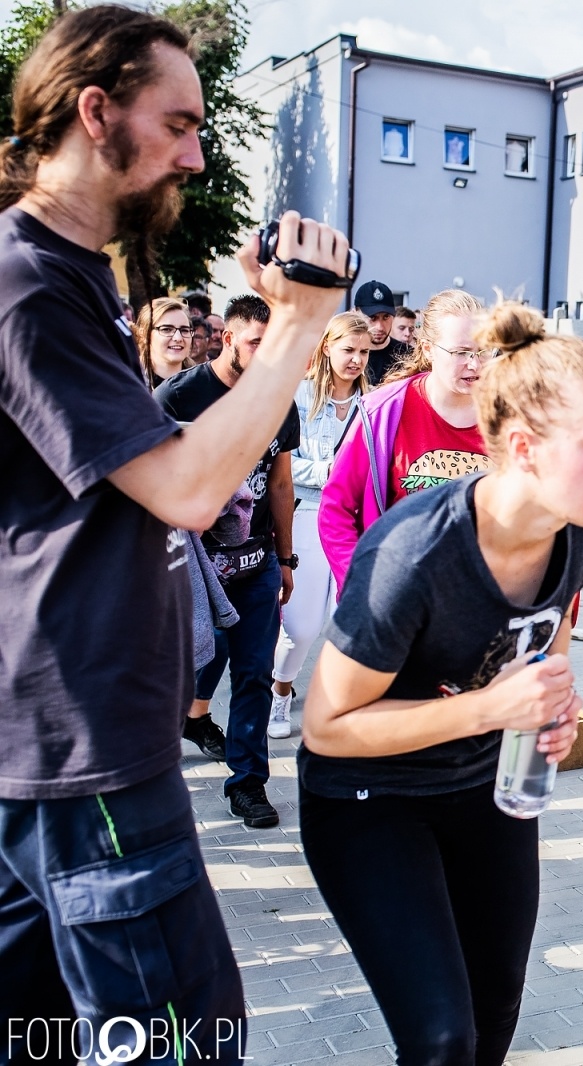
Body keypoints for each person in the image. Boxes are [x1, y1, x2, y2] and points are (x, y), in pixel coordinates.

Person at [0, 5, 349, 1060]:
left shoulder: (72, 278)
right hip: (86, 737)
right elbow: (191, 488)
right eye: (180, 124)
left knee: (41, 1036)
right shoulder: (27, 287)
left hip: (67, 731)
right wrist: (297, 324)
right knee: (179, 1042)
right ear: (95, 112)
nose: (197, 155)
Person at [299, 300, 583, 1066]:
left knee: (494, 1018)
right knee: (442, 1039)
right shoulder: (411, 558)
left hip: (485, 787)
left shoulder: (578, 520)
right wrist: (488, 706)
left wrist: (551, 699)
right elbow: (326, 727)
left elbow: (551, 635)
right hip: (368, 803)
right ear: (523, 448)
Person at [158, 294, 300, 830]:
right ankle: (159, 772)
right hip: (195, 566)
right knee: (190, 667)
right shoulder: (179, 396)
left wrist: (285, 558)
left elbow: (281, 483)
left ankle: (248, 784)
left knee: (255, 675)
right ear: (228, 337)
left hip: (257, 561)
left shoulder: (278, 400)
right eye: (256, 343)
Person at [320, 288, 490, 593]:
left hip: (484, 606)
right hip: (402, 604)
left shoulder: (513, 417)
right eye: (461, 352)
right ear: (427, 349)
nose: (475, 364)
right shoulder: (382, 413)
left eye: (484, 351)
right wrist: (362, 586)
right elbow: (336, 508)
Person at [268, 311, 372, 740]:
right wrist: (333, 470)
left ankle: (339, 703)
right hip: (307, 513)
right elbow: (284, 467)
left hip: (356, 520)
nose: (357, 359)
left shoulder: (374, 403)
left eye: (365, 352)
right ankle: (280, 690)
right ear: (327, 347)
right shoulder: (298, 396)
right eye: (349, 349)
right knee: (301, 626)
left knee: (346, 619)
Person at [355, 278, 410, 384]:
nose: (379, 327)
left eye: (386, 317)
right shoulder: (348, 355)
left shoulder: (408, 356)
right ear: (356, 313)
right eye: (372, 318)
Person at [135, 293, 194, 386]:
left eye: (184, 330)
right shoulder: (129, 384)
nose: (178, 338)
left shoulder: (203, 384)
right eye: (166, 329)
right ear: (144, 335)